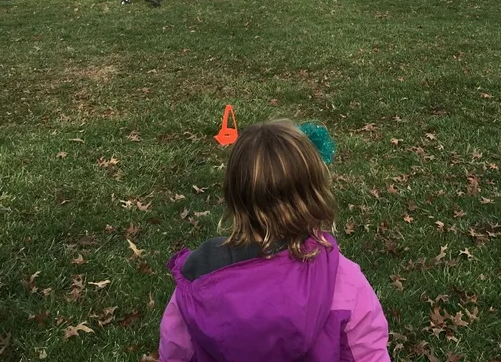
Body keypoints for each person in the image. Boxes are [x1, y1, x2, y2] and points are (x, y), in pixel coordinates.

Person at [158, 120, 390, 362]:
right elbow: (368, 354)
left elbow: (175, 354)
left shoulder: (198, 282)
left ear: (234, 194)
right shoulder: (341, 279)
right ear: (314, 195)